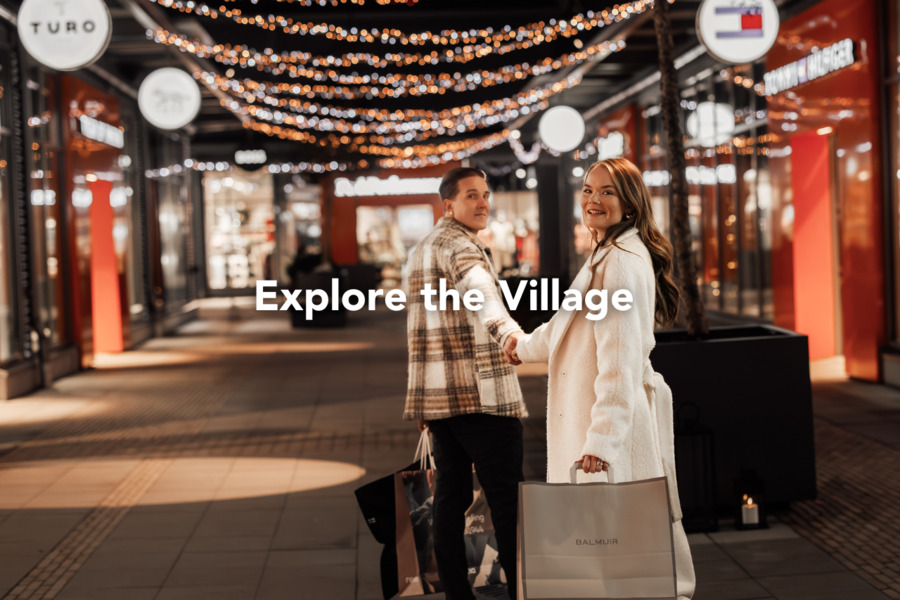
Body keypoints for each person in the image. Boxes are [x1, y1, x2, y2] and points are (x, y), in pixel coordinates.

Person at [507, 157, 696, 599]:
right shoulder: (605, 254)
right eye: (589, 190)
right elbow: (565, 322)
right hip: (592, 424)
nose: (593, 199)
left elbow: (621, 362)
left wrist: (602, 443)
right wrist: (523, 347)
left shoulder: (622, 264)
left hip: (608, 433)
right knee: (609, 558)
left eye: (607, 192)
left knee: (624, 558)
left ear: (629, 205)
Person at [403, 167, 526, 600]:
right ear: (448, 204)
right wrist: (511, 335)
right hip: (479, 397)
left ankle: (457, 593)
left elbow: (419, 330)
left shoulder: (422, 249)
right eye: (471, 195)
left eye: (486, 194)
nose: (482, 203)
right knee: (509, 503)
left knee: (449, 500)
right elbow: (482, 295)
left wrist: (421, 400)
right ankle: (522, 592)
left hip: (440, 400)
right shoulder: (460, 247)